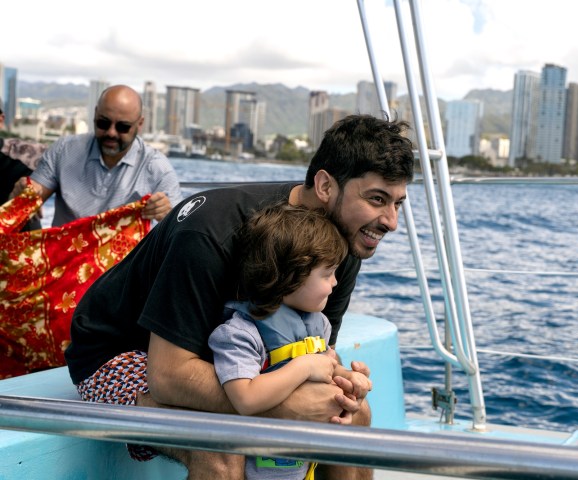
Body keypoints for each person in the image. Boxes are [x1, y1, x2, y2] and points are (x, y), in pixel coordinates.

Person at [64, 113, 415, 479]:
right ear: (326, 186)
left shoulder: (341, 246)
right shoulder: (211, 231)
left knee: (354, 419)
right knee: (223, 449)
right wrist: (283, 407)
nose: (390, 220)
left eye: (398, 204)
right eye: (377, 199)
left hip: (234, 360)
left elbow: (314, 347)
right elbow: (167, 376)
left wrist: (344, 382)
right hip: (124, 354)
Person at [210, 203, 372, 479]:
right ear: (289, 278)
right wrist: (305, 367)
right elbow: (245, 398)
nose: (335, 283)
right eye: (327, 274)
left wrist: (348, 378)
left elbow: (328, 367)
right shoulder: (240, 334)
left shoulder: (317, 324)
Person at [12, 84, 182, 226]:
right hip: (63, 261)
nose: (111, 133)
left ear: (140, 124)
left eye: (122, 127)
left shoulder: (158, 168)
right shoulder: (63, 150)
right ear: (94, 115)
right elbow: (33, 193)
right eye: (103, 123)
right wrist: (24, 193)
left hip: (125, 265)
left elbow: (178, 229)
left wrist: (165, 213)